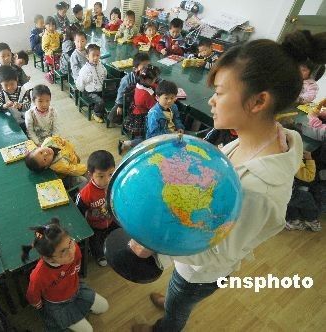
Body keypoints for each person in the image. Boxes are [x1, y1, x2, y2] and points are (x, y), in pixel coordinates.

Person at [130, 29, 325, 332]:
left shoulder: (260, 191)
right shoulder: (255, 139)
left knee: (180, 304)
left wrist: (156, 245)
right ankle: (171, 300)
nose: (211, 101)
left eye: (220, 92)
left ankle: (166, 324)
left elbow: (218, 250)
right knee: (176, 290)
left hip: (203, 272)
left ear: (258, 101)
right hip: (191, 258)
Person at [22, 218, 109, 332]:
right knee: (88, 330)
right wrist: (40, 307)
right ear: (48, 258)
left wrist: (74, 275)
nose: (71, 251)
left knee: (104, 307)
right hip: (58, 304)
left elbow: (77, 263)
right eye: (63, 252)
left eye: (70, 242)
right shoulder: (39, 275)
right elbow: (32, 295)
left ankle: (75, 315)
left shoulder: (73, 248)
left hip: (76, 289)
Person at [76, 150, 118, 267]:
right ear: (90, 175)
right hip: (95, 225)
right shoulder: (86, 194)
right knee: (95, 242)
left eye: (111, 174)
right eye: (101, 176)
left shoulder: (115, 185)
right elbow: (79, 213)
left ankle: (115, 247)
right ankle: (99, 255)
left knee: (119, 232)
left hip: (111, 220)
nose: (107, 179)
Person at [108, 53, 151, 125]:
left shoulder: (149, 76)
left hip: (140, 102)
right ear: (135, 69)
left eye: (148, 67)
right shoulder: (127, 79)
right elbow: (121, 93)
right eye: (143, 68)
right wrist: (120, 106)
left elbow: (157, 80)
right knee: (113, 116)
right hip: (127, 102)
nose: (146, 71)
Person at [285, 151, 321, 231]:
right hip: (284, 193)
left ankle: (294, 220)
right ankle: (312, 221)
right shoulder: (292, 159)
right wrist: (309, 159)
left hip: (271, 191)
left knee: (295, 195)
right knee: (307, 197)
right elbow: (309, 176)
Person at [76, 44, 107, 123]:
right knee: (100, 101)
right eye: (93, 55)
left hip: (100, 89)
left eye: (98, 55)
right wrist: (82, 91)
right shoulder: (85, 70)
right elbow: (80, 84)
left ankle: (100, 109)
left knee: (109, 97)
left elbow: (105, 74)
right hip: (89, 92)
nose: (96, 58)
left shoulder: (101, 66)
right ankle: (96, 114)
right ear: (87, 56)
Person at [42, 16, 62, 80]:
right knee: (59, 65)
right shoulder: (46, 36)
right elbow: (44, 48)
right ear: (45, 26)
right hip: (50, 55)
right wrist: (51, 52)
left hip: (58, 53)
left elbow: (60, 36)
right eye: (49, 25)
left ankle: (53, 69)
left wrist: (63, 36)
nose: (51, 27)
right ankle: (49, 74)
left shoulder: (56, 32)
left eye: (53, 25)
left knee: (64, 62)